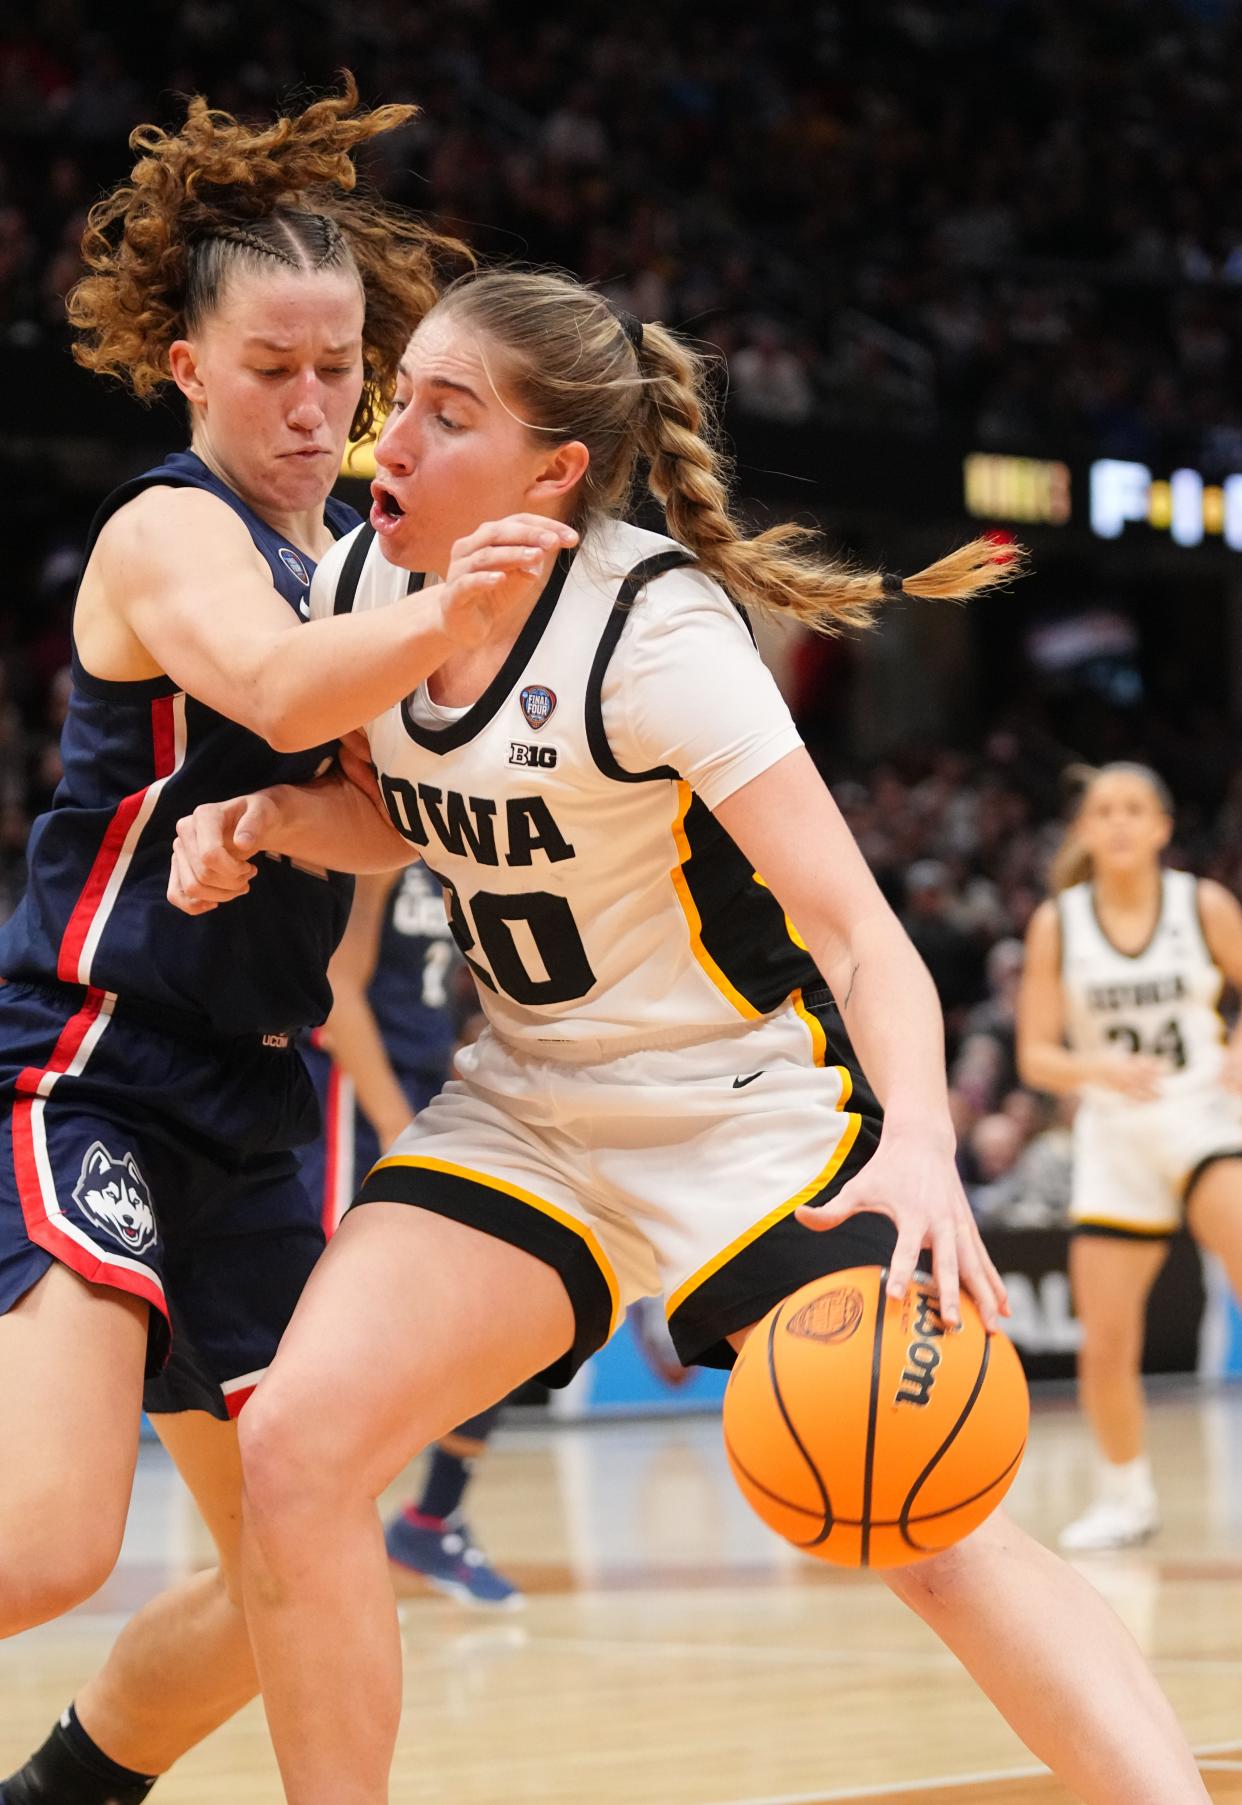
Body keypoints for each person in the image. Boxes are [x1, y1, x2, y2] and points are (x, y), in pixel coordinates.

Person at [171, 270, 1209, 1805]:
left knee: (924, 1528)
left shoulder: (656, 635)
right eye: (405, 402)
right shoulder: (354, 587)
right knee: (297, 1453)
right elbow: (414, 815)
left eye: (447, 417)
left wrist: (921, 1147)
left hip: (742, 1118)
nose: (389, 438)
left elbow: (862, 933)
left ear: (555, 473)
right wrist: (274, 817)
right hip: (524, 1106)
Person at [0, 75, 504, 1805]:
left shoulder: (361, 563)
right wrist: (477, 598)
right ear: (186, 370)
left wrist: (290, 820)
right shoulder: (168, 531)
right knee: (49, 1544)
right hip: (93, 1069)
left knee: (295, 1541)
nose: (313, 407)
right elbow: (282, 687)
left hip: (253, 1109)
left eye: (340, 370)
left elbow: (386, 813)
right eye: (273, 371)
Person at [1018, 762, 1242, 1551]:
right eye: (1103, 809)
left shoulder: (1201, 904)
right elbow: (1036, 1056)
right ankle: (1125, 1496)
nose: (1117, 821)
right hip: (1114, 1130)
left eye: (1133, 808)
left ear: (1161, 826)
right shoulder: (1059, 922)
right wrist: (1094, 1070)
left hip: (1202, 1115)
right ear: (1084, 828)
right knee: (1108, 1337)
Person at [300, 867, 520, 1607]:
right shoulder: (377, 839)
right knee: (322, 1336)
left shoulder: (450, 842)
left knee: (495, 1315)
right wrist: (398, 1128)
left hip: (428, 1090)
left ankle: (431, 1517)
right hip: (354, 1100)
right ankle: (305, 1537)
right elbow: (337, 991)